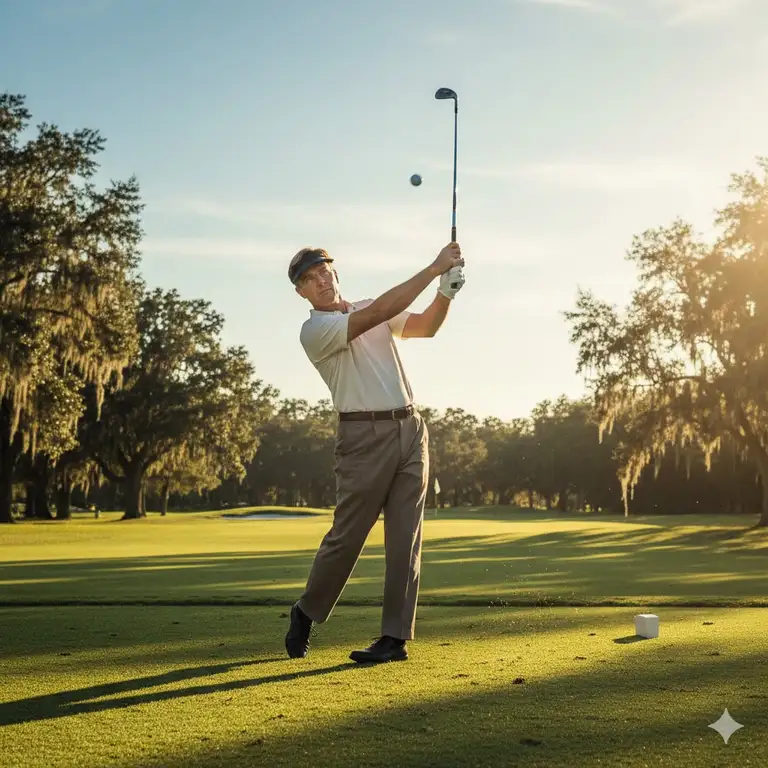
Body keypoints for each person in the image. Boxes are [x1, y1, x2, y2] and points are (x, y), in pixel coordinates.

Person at [284, 242, 466, 663]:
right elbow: (378, 314)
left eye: (324, 272)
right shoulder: (314, 330)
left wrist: (446, 294)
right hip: (362, 438)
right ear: (301, 292)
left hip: (411, 428)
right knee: (347, 537)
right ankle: (307, 611)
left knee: (406, 538)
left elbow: (424, 327)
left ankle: (394, 639)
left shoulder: (369, 305)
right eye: (309, 279)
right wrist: (434, 267)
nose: (320, 281)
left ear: (334, 272)